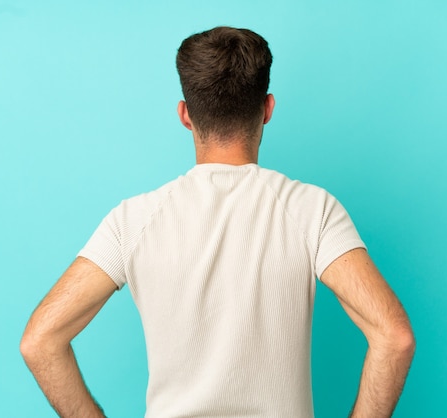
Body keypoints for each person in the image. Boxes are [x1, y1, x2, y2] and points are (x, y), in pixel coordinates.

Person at [20, 26, 415, 418]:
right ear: (267, 109)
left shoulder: (132, 220)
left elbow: (40, 341)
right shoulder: (312, 210)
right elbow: (394, 337)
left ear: (185, 115)